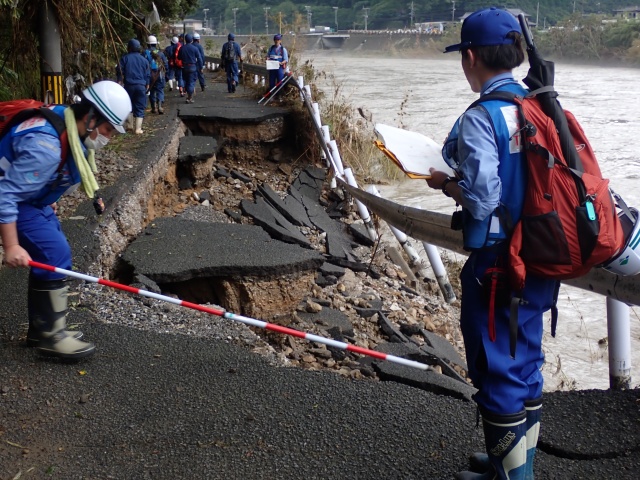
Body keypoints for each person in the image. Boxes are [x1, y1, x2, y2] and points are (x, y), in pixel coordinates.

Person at [425, 8, 558, 480]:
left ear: (472, 58)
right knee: (527, 360)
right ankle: (516, 461)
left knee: (497, 367)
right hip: (542, 256)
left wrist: (445, 184)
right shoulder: (540, 104)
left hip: (500, 264)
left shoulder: (483, 117)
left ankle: (511, 477)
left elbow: (482, 201)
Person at [0, 80, 132, 359]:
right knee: (55, 252)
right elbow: (6, 194)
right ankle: (52, 337)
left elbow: (41, 174)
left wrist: (48, 194)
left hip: (31, 199)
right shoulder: (45, 147)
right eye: (108, 129)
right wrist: (11, 245)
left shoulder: (67, 122)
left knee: (53, 244)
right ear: (91, 117)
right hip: (12, 198)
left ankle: (43, 328)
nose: (109, 137)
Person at [117, 38, 150, 134]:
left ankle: (129, 126)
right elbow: (147, 74)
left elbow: (119, 70)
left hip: (129, 86)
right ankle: (138, 129)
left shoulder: (125, 58)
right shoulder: (144, 60)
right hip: (141, 86)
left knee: (128, 105)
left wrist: (119, 80)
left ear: (129, 48)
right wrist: (147, 84)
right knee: (140, 106)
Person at [144, 35, 169, 114]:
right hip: (159, 74)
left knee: (151, 90)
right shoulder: (160, 53)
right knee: (160, 90)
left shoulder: (145, 53)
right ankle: (160, 106)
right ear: (155, 44)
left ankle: (153, 107)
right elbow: (166, 64)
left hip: (149, 75)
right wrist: (167, 74)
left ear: (148, 44)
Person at [178, 33, 203, 104]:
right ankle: (190, 97)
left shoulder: (182, 48)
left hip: (184, 67)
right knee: (191, 82)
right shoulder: (195, 48)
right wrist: (201, 67)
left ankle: (186, 93)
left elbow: (179, 57)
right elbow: (199, 58)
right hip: (192, 67)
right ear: (192, 40)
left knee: (185, 81)